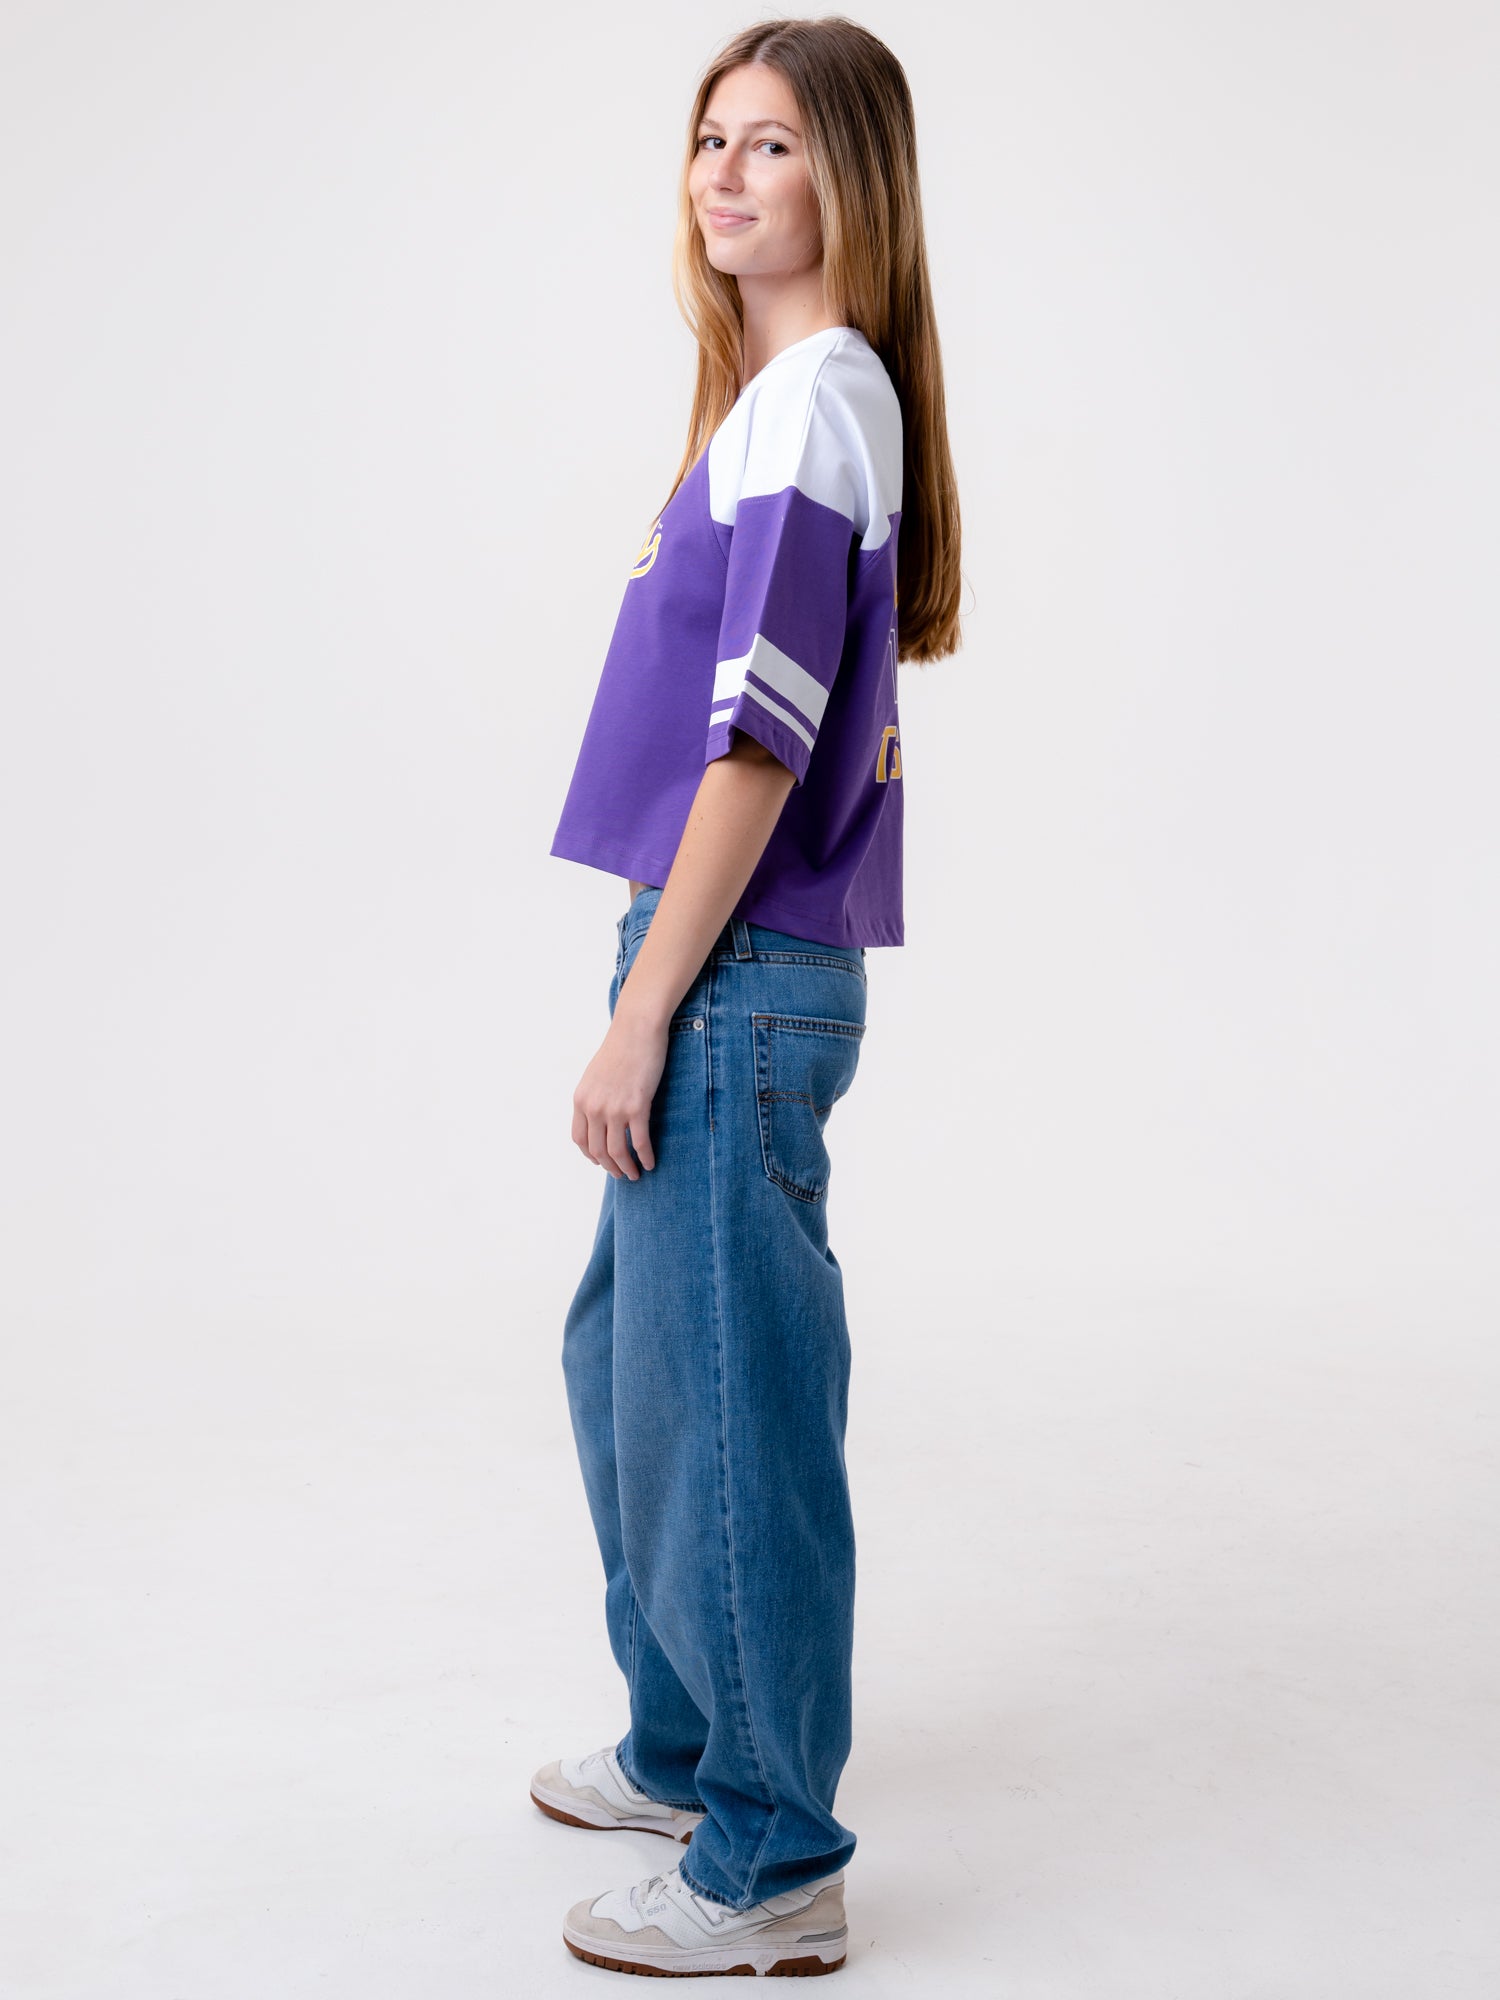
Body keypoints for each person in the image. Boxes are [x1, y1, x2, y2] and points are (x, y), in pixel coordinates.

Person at [533, 16, 963, 1978]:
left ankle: (773, 1855)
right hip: (713, 962)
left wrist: (647, 1006)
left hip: (731, 974)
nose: (725, 171)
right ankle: (686, 1751)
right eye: (711, 136)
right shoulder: (780, 397)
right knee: (632, 1368)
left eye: (773, 142)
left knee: (730, 1413)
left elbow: (761, 742)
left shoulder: (815, 404)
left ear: (847, 178)